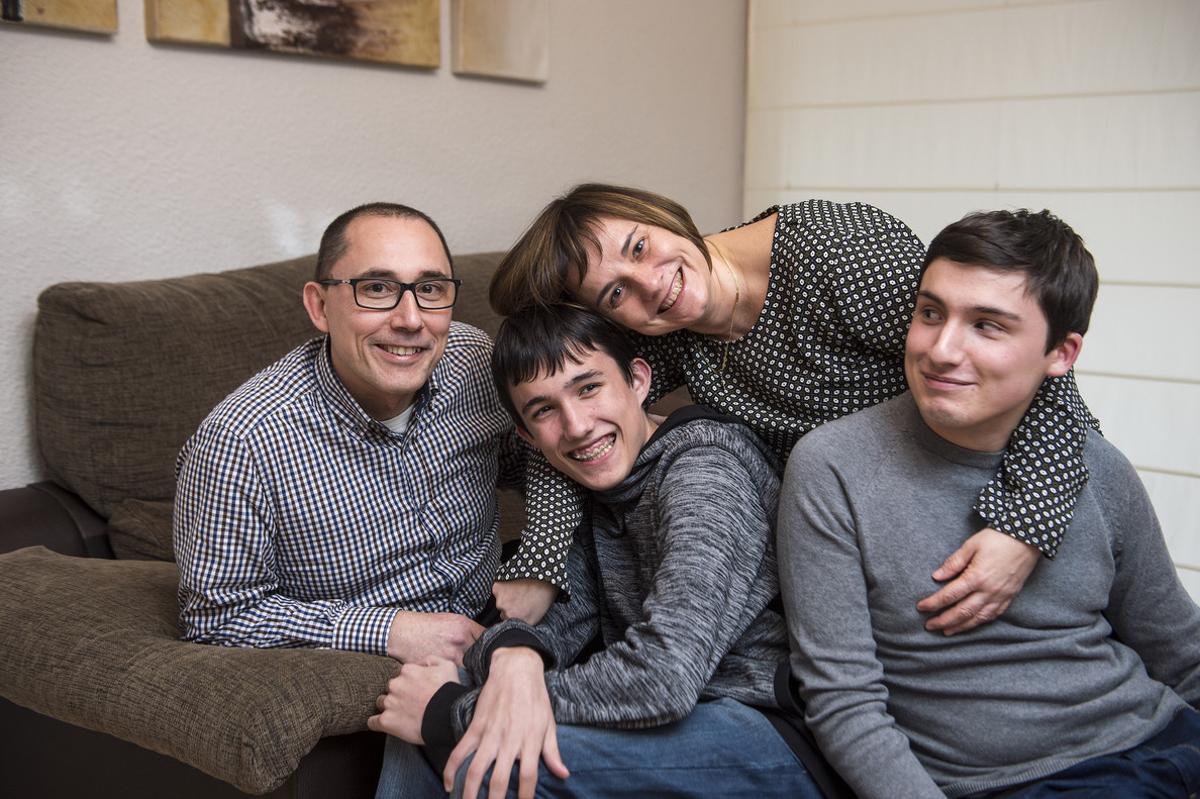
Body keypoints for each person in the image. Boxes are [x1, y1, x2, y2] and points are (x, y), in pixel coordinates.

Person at [488, 185, 1099, 635]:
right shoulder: (665, 337)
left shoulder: (836, 252)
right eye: (615, 291)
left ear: (664, 214)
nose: (650, 283)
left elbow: (1033, 376)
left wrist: (1023, 527)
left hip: (985, 498)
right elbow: (570, 421)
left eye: (640, 246)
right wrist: (542, 561)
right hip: (847, 543)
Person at [777, 209, 1200, 798]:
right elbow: (843, 702)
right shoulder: (833, 467)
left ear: (1061, 354)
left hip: (1164, 738)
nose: (941, 350)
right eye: (930, 313)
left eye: (987, 326)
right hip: (1020, 783)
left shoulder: (1097, 468)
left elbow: (1180, 653)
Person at [369, 304, 843, 799]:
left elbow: (665, 676)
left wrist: (454, 711)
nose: (576, 426)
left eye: (588, 387)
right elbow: (549, 624)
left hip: (771, 732)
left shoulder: (706, 471)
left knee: (475, 745)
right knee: (427, 689)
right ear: (528, 437)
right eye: (544, 409)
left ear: (638, 380)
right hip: (675, 723)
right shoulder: (595, 491)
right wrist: (515, 655)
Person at [174, 202, 523, 662]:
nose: (410, 320)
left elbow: (537, 464)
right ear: (319, 306)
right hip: (375, 663)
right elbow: (216, 617)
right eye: (376, 288)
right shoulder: (241, 441)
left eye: (431, 288)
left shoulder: (474, 360)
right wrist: (391, 631)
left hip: (506, 616)